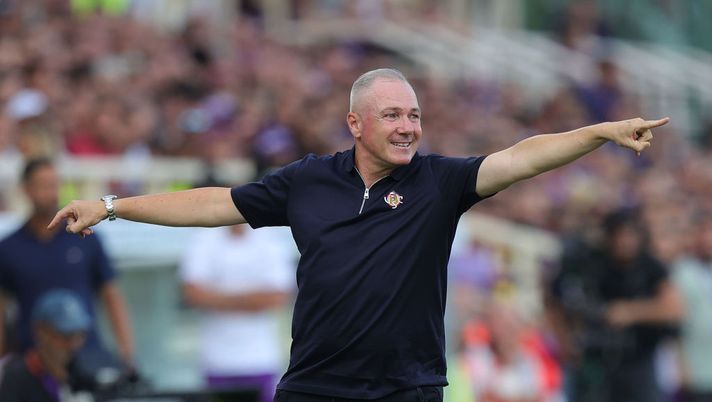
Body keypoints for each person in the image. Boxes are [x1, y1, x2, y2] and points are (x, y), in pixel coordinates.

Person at [49, 68, 669, 402]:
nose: (408, 127)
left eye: (415, 115)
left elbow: (523, 156)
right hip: (316, 386)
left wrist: (599, 131)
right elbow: (216, 204)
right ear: (356, 123)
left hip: (408, 389)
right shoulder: (308, 181)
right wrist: (113, 205)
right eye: (393, 115)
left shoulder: (441, 182)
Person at [0, 158, 134, 365]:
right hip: (34, 361)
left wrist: (127, 354)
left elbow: (112, 295)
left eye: (54, 185)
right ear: (26, 189)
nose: (51, 193)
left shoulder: (84, 237)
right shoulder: (9, 247)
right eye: (43, 186)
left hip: (86, 355)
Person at [548, 209, 684, 402]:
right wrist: (565, 341)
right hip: (595, 359)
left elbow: (674, 308)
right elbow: (556, 299)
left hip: (638, 360)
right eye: (619, 235)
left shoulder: (650, 266)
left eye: (630, 235)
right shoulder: (590, 263)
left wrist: (629, 312)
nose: (624, 242)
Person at [179, 224, 294, 402]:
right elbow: (193, 294)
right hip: (216, 360)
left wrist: (216, 297)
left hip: (260, 359)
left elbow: (277, 297)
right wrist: (253, 299)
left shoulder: (268, 238)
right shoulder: (204, 237)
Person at [0, 289, 92, 401]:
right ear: (41, 332)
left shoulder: (86, 372)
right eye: (65, 335)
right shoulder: (16, 377)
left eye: (81, 334)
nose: (74, 344)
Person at [673, 213, 712, 402]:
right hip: (696, 370)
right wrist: (681, 365)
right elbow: (676, 323)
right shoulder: (681, 271)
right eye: (704, 231)